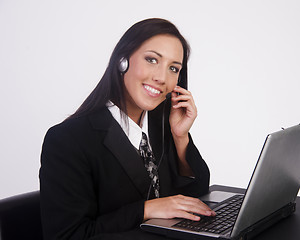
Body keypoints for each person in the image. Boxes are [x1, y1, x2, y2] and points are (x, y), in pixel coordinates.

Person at [39, 18, 215, 239]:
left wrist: (181, 137)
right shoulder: (68, 140)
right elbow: (66, 235)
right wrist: (146, 209)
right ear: (123, 60)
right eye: (152, 59)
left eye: (173, 68)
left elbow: (197, 198)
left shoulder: (162, 122)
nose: (161, 77)